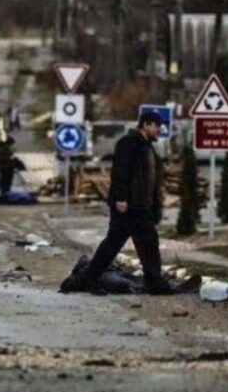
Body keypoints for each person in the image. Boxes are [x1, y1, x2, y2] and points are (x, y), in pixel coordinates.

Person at [60, 111, 181, 295]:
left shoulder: (148, 147)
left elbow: (151, 180)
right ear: (146, 125)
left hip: (141, 207)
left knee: (148, 243)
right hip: (128, 207)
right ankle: (84, 279)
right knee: (112, 245)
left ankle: (154, 282)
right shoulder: (128, 143)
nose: (159, 130)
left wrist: (155, 206)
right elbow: (120, 173)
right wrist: (121, 198)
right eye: (157, 126)